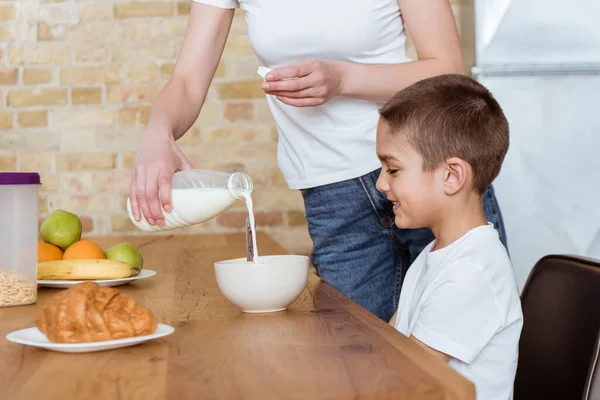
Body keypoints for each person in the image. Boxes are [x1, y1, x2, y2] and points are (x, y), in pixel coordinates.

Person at [128, 0, 508, 322]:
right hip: (333, 196)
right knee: (358, 361)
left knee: (460, 356)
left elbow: (447, 68)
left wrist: (343, 79)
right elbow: (186, 81)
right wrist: (155, 133)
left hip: (429, 172)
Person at [378, 74, 522, 399]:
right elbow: (387, 346)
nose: (380, 184)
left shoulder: (471, 272)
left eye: (393, 169)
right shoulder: (437, 253)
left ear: (451, 176)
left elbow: (402, 382)